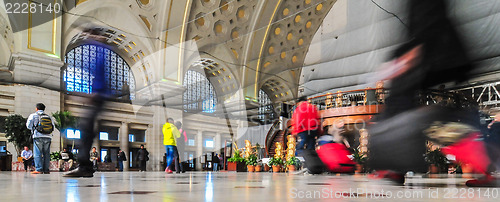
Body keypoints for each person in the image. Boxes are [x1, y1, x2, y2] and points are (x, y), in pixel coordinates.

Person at [369, 0, 497, 187]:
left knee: (402, 103)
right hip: (431, 41)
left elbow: (426, 8)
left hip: (429, 42)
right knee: (408, 106)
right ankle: (483, 162)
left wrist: (418, 45)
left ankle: (393, 168)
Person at [26, 103, 54, 174]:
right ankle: (46, 169)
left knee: (38, 153)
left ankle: (39, 169)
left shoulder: (33, 115)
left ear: (36, 108)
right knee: (46, 154)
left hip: (38, 136)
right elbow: (52, 126)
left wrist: (34, 128)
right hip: (48, 136)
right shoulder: (49, 117)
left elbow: (28, 126)